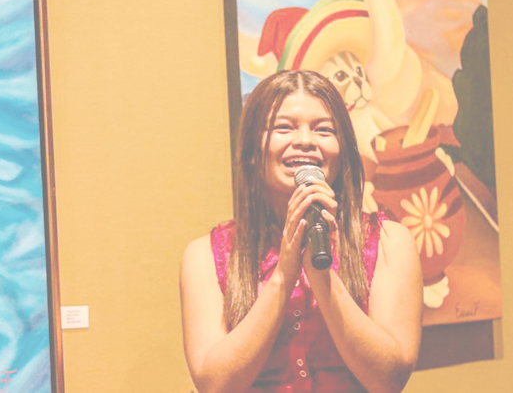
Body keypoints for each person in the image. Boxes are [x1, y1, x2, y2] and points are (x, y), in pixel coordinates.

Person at [179, 70, 422, 393]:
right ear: (252, 152)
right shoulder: (206, 256)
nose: (305, 141)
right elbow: (215, 385)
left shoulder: (389, 243)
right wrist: (283, 273)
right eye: (284, 127)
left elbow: (388, 380)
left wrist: (321, 275)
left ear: (342, 151)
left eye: (324, 130)